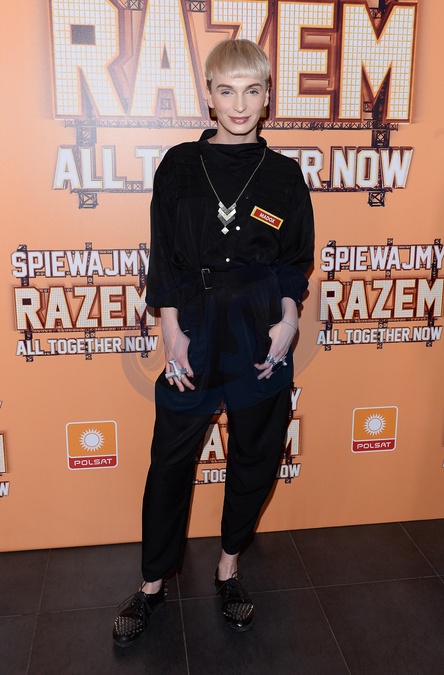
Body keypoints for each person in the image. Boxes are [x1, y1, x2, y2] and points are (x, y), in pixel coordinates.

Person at [113, 38, 314, 647]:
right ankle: (152, 583)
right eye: (227, 90)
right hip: (195, 331)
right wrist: (170, 327)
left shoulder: (283, 176)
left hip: (260, 333)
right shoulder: (178, 165)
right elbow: (165, 255)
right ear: (209, 95)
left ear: (267, 96)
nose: (240, 104)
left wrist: (288, 322)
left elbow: (293, 261)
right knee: (170, 463)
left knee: (255, 458)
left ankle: (228, 569)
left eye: (252, 90)